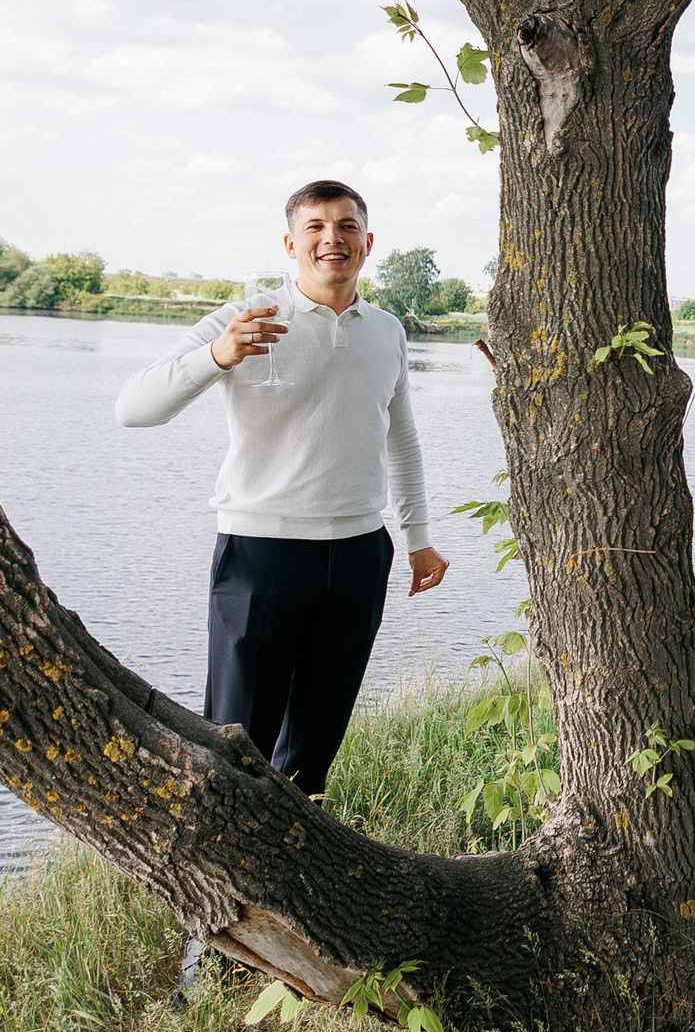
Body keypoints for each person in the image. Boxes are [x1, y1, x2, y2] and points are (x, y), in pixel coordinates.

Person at [115, 180, 449, 802]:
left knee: (313, 751)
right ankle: (226, 876)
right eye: (316, 227)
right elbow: (134, 409)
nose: (333, 239)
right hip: (261, 553)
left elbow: (400, 439)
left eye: (346, 226)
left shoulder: (387, 330)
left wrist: (419, 539)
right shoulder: (246, 320)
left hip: (358, 554)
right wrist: (218, 353)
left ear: (367, 242)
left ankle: (299, 880)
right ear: (291, 243)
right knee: (235, 743)